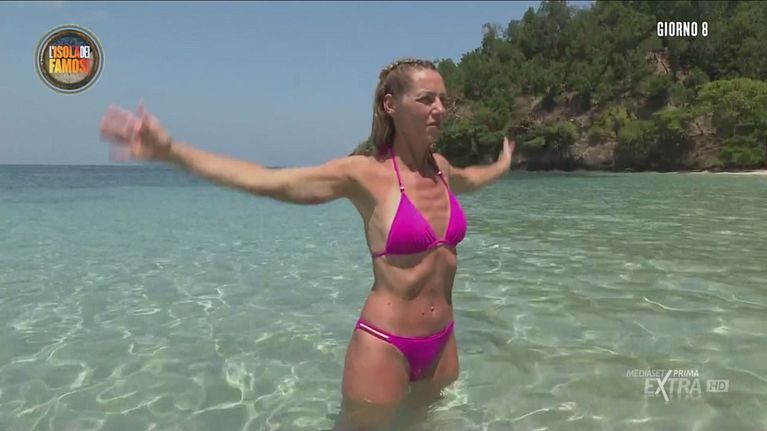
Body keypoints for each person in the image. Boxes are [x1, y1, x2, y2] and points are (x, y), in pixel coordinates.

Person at [100, 58, 514, 430]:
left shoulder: (440, 170)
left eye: (443, 100)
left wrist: (503, 165)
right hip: (386, 345)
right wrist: (171, 151)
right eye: (426, 99)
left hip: (442, 340)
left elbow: (472, 179)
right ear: (391, 105)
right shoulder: (363, 174)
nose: (440, 109)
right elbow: (269, 181)